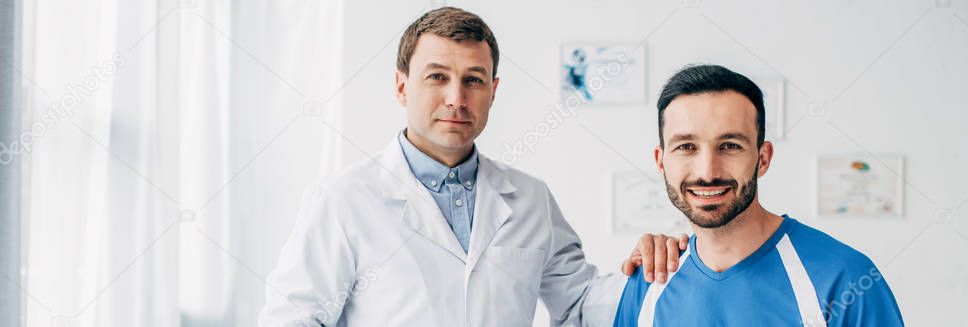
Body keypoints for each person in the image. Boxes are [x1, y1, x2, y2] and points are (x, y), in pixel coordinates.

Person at [259, 7, 686, 326]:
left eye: (474, 80)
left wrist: (656, 270)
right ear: (401, 86)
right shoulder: (343, 200)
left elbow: (579, 302)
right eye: (437, 77)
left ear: (494, 91)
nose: (456, 98)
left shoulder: (530, 198)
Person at [613, 65, 904, 326]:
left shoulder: (845, 279)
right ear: (661, 161)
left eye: (729, 145)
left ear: (763, 158)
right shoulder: (649, 283)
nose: (708, 171)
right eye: (686, 147)